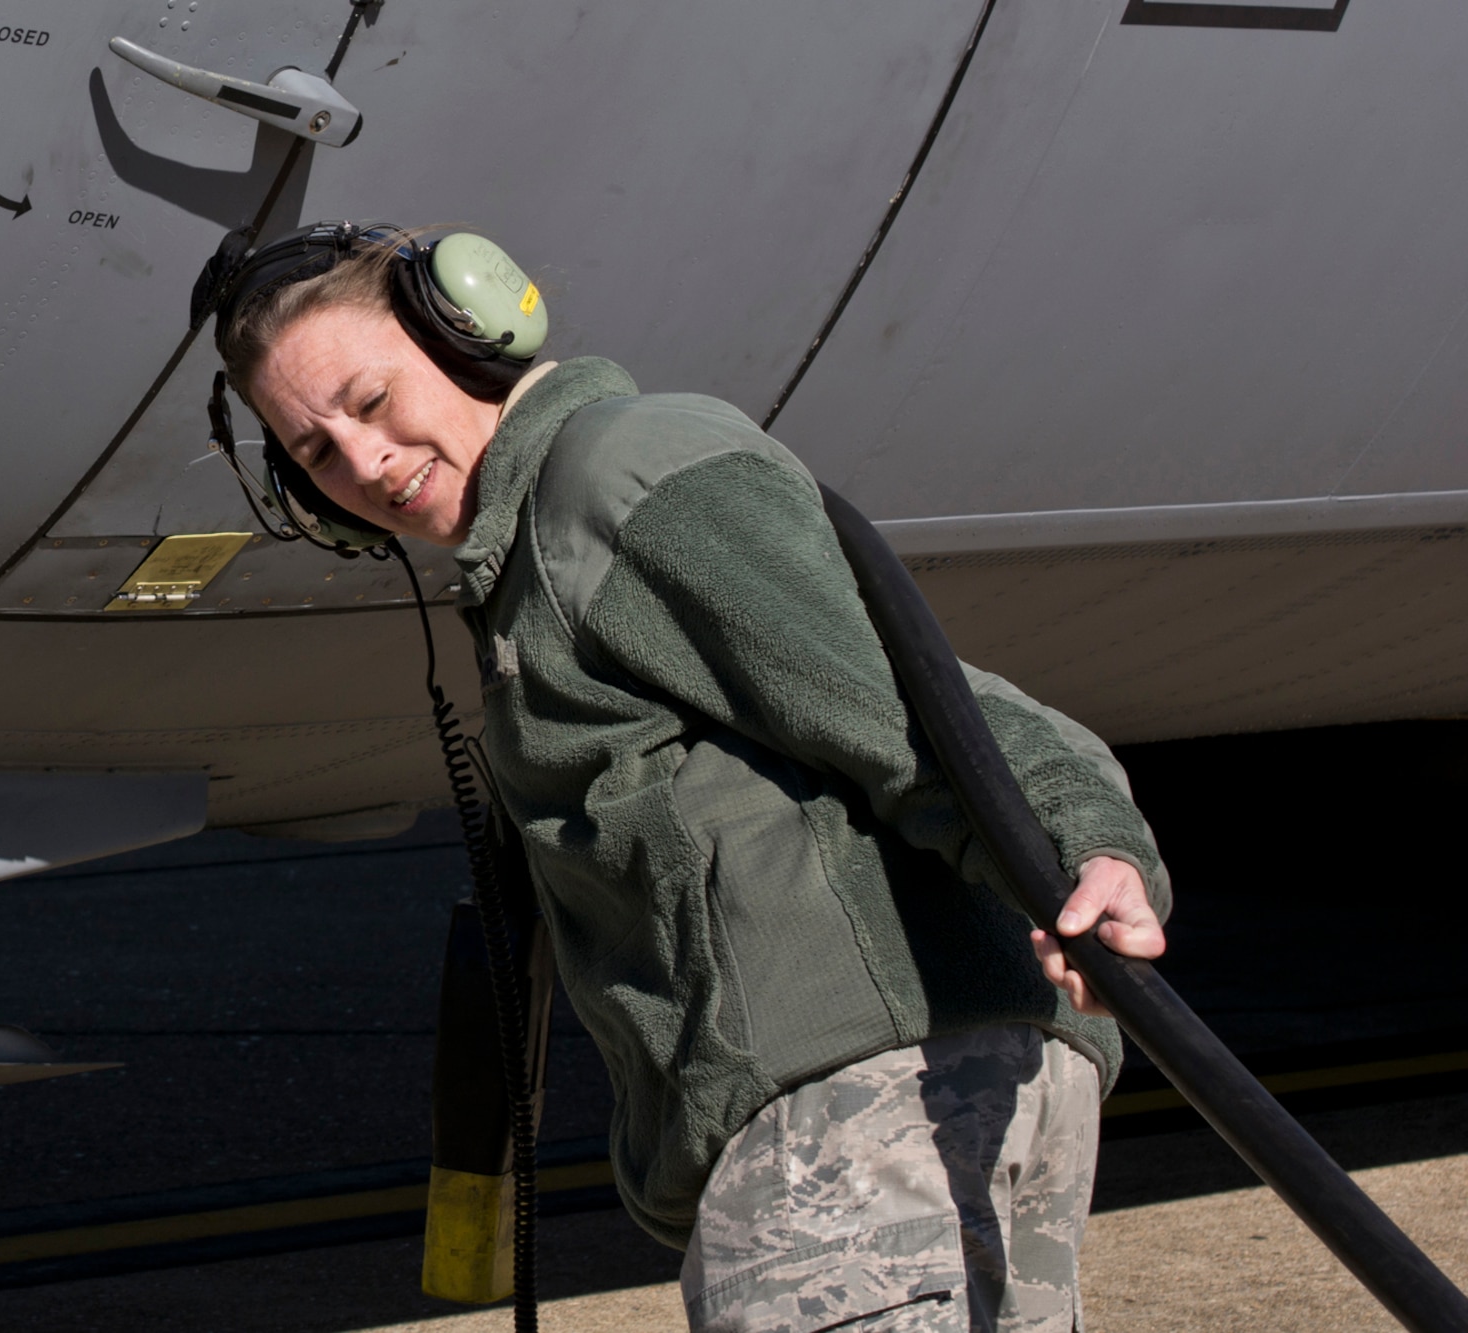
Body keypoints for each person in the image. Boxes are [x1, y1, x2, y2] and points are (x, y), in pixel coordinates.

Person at [203, 222, 1170, 1333]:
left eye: (368, 403)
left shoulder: (613, 479)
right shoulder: (537, 544)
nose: (363, 465)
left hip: (856, 1120)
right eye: (315, 453)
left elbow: (918, 705)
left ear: (464, 331)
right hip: (926, 1091)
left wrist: (1087, 851)